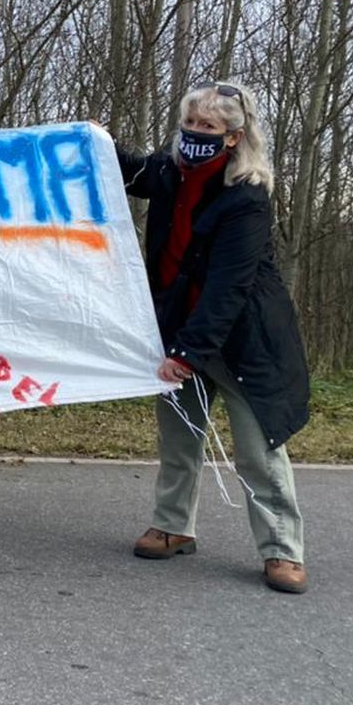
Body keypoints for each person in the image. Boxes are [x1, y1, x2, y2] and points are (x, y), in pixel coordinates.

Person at [114, 81, 311, 593]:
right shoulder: (168, 171)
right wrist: (89, 139)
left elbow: (229, 287)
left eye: (209, 126)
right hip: (179, 327)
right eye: (192, 121)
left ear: (233, 137)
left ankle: (282, 550)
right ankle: (172, 525)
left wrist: (188, 352)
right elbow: (128, 169)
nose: (196, 132)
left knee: (257, 449)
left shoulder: (247, 195)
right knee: (179, 438)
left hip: (242, 339)